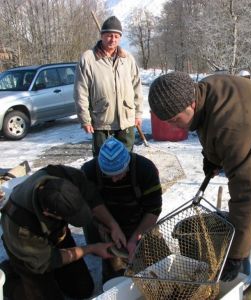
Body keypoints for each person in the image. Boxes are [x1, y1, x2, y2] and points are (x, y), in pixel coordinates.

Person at [148, 71, 251, 300]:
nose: (175, 127)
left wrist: (236, 254)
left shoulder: (232, 125)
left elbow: (246, 192)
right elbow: (207, 126)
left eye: (175, 119)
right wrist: (212, 157)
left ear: (191, 102)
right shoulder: (203, 94)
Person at [0, 165, 113, 300]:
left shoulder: (63, 175)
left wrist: (112, 225)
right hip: (27, 250)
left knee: (83, 290)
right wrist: (91, 248)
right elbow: (50, 260)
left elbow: (91, 195)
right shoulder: (21, 226)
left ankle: (55, 276)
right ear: (48, 212)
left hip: (56, 234)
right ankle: (11, 273)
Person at [81, 137, 162, 283]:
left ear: (128, 164)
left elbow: (153, 209)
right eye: (108, 175)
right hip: (106, 224)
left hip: (140, 220)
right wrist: (113, 226)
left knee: (159, 267)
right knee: (116, 275)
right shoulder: (88, 171)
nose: (114, 180)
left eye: (119, 174)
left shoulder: (145, 169)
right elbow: (91, 204)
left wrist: (136, 237)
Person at [74, 16, 143, 156]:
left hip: (126, 119)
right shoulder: (89, 59)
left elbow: (137, 87)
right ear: (102, 36)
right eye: (109, 35)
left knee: (127, 159)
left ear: (120, 38)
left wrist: (138, 113)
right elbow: (80, 92)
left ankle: (126, 179)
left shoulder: (127, 58)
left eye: (116, 36)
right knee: (102, 160)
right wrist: (85, 120)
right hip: (101, 119)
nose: (113, 39)